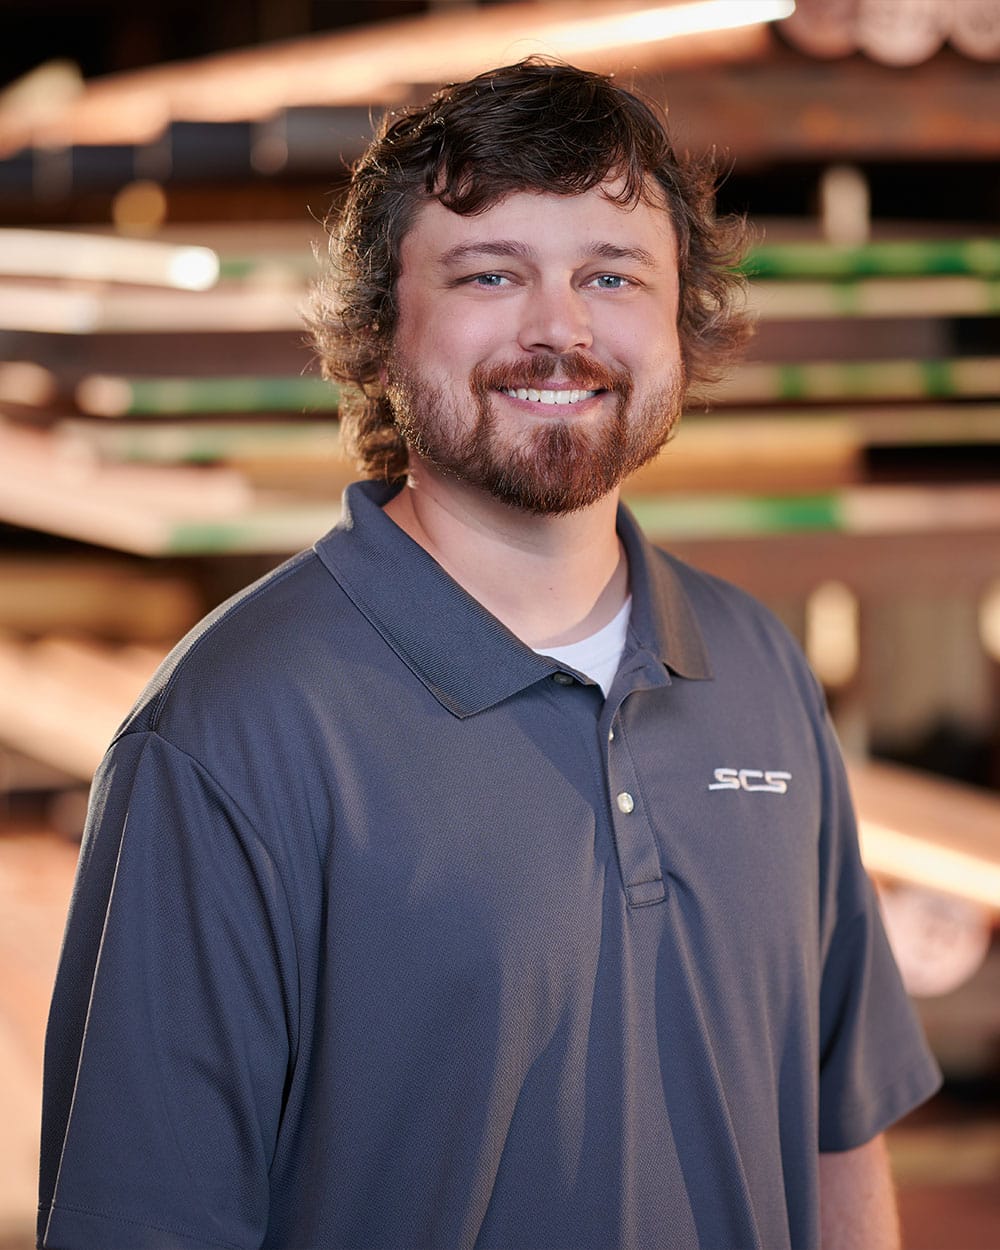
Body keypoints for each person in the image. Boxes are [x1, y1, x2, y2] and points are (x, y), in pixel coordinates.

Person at [39, 58, 940, 1250]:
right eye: (489, 272)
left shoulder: (755, 671)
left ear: (681, 323)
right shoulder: (230, 735)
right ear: (378, 329)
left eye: (611, 274)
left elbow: (837, 1137)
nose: (557, 329)